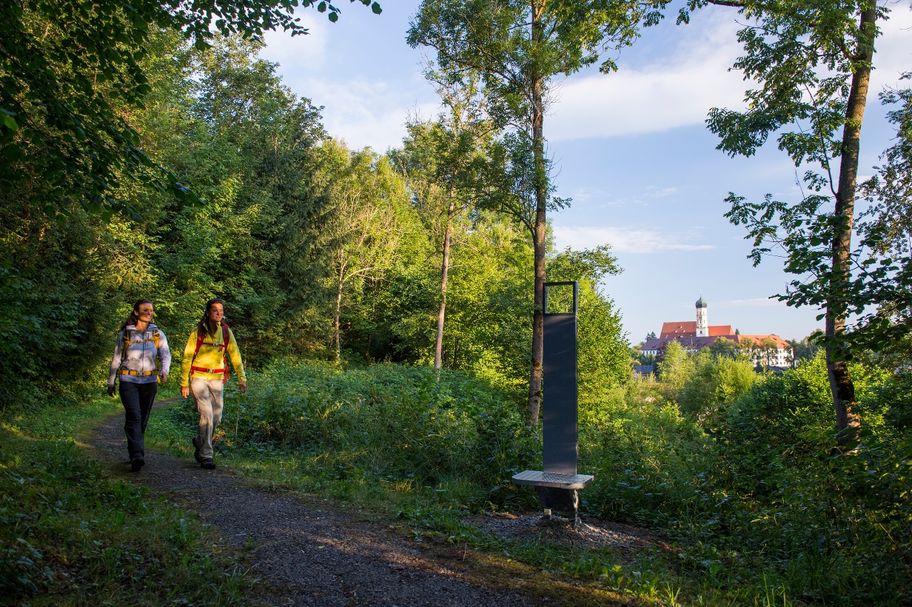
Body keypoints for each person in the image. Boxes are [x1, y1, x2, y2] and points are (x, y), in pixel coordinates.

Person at [180, 298, 247, 470]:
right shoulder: (198, 332)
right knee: (207, 414)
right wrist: (184, 383)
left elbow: (235, 355)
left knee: (217, 417)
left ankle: (200, 441)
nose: (219, 313)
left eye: (221, 310)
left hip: (217, 379)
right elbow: (187, 357)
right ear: (208, 312)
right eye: (215, 310)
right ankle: (206, 455)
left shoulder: (225, 332)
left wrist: (242, 378)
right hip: (198, 378)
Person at [107, 299, 171, 472]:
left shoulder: (157, 333)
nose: (149, 313)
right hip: (128, 380)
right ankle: (137, 455)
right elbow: (116, 358)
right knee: (134, 415)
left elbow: (165, 354)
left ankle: (133, 449)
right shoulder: (126, 334)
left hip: (150, 382)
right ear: (136, 312)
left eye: (151, 310)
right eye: (145, 310)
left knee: (142, 419)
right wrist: (111, 382)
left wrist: (164, 370)